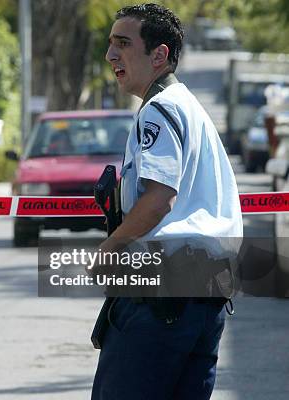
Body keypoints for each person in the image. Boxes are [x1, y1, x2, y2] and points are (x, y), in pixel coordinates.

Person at [92, 4, 243, 400]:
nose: (111, 56)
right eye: (110, 45)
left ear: (159, 55)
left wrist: (109, 249)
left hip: (162, 298)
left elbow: (159, 198)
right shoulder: (187, 106)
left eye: (123, 44)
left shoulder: (159, 110)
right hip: (205, 295)